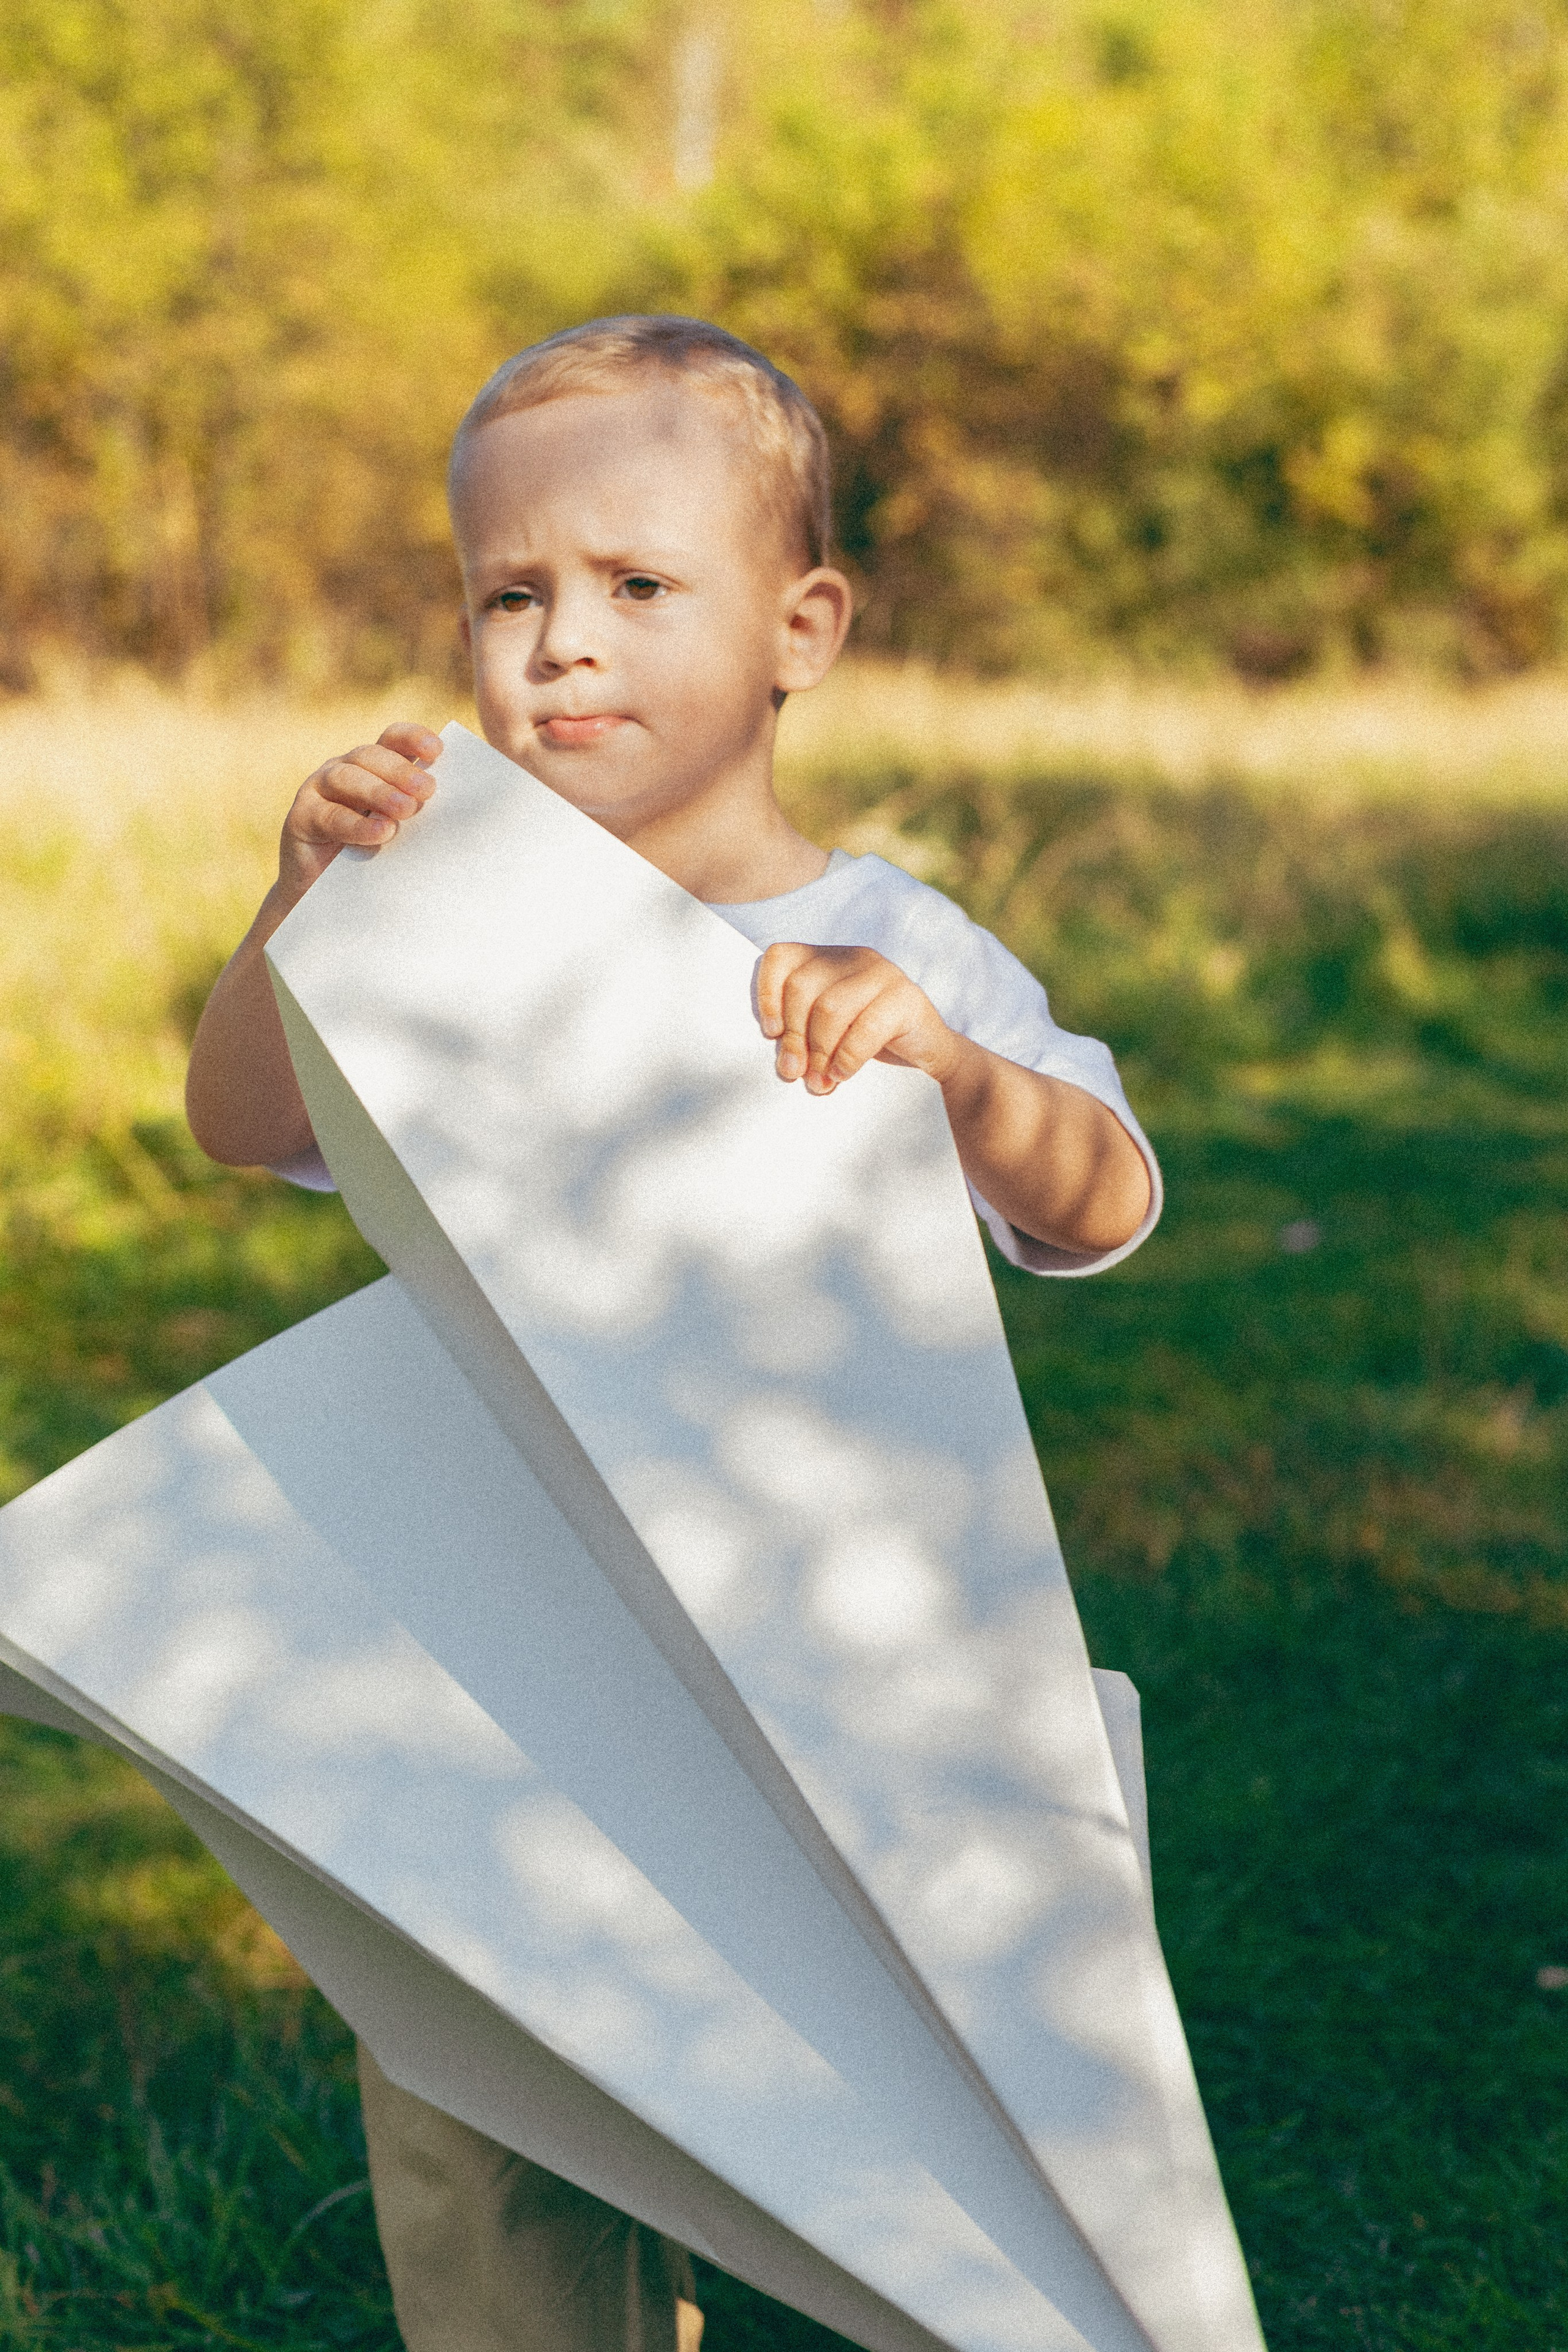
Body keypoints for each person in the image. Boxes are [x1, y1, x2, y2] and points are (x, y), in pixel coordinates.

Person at [186, 314, 1161, 2352]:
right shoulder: (431, 931)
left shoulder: (896, 941)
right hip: (520, 1644)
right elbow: (243, 1126)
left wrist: (963, 1079)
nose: (561, 648)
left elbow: (1105, 1201)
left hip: (855, 1648)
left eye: (638, 588)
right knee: (496, 2115)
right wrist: (299, 908)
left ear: (801, 627)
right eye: (510, 596)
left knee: (954, 2122)